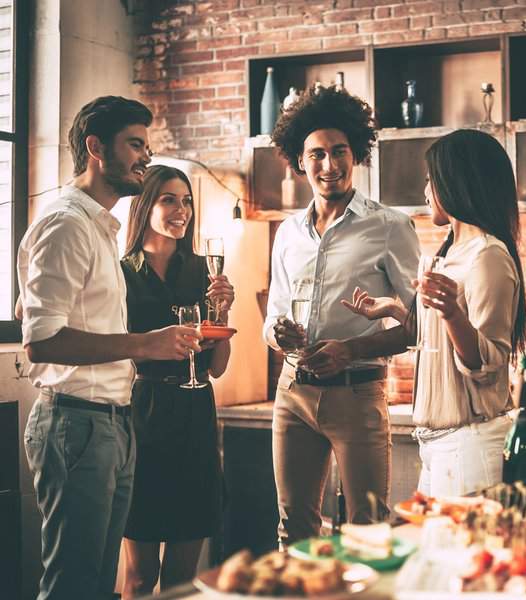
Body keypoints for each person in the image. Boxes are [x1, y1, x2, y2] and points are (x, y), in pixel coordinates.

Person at [18, 96, 200, 600]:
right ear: (96, 148)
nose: (145, 156)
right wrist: (146, 343)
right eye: (135, 144)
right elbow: (41, 340)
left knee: (100, 588)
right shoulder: (68, 223)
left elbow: (29, 309)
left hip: (113, 422)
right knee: (73, 586)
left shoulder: (98, 226)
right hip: (75, 423)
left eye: (147, 144)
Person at [263, 85, 419, 544]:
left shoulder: (390, 227)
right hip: (291, 395)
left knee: (366, 531)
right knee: (295, 530)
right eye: (316, 154)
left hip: (358, 395)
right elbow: (272, 315)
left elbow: (418, 325)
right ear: (299, 160)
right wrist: (280, 333)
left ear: (357, 154)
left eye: (339, 152)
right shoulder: (288, 232)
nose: (328, 165)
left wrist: (349, 350)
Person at [344, 129, 526, 496]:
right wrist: (396, 310)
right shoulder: (449, 254)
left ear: (456, 182)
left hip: (469, 444)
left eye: (431, 179)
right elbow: (439, 343)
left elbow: (488, 363)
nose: (426, 191)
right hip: (439, 446)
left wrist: (452, 314)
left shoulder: (487, 256)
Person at [119, 165, 235, 597]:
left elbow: (218, 365)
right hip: (143, 418)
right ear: (145, 203)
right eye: (169, 199)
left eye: (186, 200)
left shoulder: (205, 270)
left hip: (195, 417)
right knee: (139, 575)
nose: (181, 210)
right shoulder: (121, 273)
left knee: (183, 581)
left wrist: (223, 315)